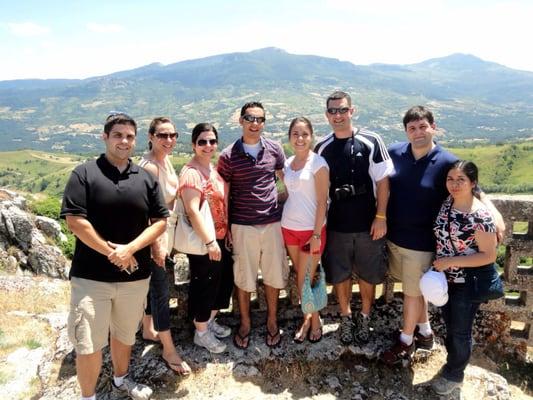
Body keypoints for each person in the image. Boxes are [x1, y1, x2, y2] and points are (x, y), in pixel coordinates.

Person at [381, 106, 505, 365]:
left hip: (423, 242)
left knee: (412, 294)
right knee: (415, 289)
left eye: (423, 126)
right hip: (395, 237)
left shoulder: (447, 161)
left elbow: (474, 189)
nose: (418, 133)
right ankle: (425, 332)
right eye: (412, 128)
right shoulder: (394, 153)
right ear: (406, 131)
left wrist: (494, 213)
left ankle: (406, 341)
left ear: (433, 126)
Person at [61, 112, 168, 400]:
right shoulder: (84, 174)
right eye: (118, 135)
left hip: (134, 276)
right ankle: (88, 396)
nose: (124, 141)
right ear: (105, 137)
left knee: (124, 336)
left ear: (136, 140)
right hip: (90, 278)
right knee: (88, 343)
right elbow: (75, 221)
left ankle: (121, 380)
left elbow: (160, 221)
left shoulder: (145, 178)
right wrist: (113, 252)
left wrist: (130, 249)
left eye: (129, 136)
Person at [315, 91, 393, 345]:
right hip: (337, 223)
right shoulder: (322, 147)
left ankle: (366, 315)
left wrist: (380, 216)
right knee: (340, 274)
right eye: (333, 111)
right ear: (327, 115)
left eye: (342, 110)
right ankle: (346, 316)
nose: (338, 116)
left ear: (352, 111)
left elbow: (383, 182)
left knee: (369, 274)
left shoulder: (371, 141)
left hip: (368, 222)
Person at [217, 101, 289, 349]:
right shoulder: (227, 156)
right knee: (244, 277)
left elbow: (279, 178)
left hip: (272, 223)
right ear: (241, 121)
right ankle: (245, 322)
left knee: (273, 274)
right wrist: (226, 227)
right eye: (250, 118)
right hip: (242, 225)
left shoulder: (275, 149)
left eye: (260, 119)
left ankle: (271, 320)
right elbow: (224, 194)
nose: (255, 123)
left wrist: (281, 200)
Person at [430, 160, 497, 395]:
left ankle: (454, 375)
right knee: (451, 325)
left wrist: (450, 262)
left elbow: (488, 255)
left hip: (468, 282)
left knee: (460, 331)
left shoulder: (480, 215)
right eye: (451, 179)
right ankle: (453, 364)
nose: (455, 184)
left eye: (461, 180)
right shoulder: (448, 203)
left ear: (473, 183)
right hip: (446, 281)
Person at [139, 117, 191, 374]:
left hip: (166, 229)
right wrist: (157, 245)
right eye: (162, 135)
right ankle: (169, 349)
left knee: (154, 285)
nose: (169, 140)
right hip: (155, 233)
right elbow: (150, 211)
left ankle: (148, 329)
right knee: (161, 289)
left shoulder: (165, 159)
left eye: (173, 135)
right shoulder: (150, 167)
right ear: (150, 136)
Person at [179, 123, 234, 353]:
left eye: (212, 141)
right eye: (202, 141)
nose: (208, 145)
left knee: (223, 282)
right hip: (204, 241)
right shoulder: (191, 173)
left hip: (220, 236)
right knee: (206, 284)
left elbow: (222, 204)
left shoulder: (212, 170)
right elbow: (192, 211)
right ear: (193, 145)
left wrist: (227, 231)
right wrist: (210, 242)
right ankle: (201, 332)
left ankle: (209, 322)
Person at [281, 117, 329, 343]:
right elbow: (291, 194)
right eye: (295, 134)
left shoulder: (318, 164)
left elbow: (322, 202)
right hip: (288, 227)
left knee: (306, 277)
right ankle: (309, 317)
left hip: (312, 230)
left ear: (311, 137)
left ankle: (312, 319)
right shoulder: (288, 163)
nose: (300, 139)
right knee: (302, 278)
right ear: (290, 137)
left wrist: (317, 234)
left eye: (304, 134)